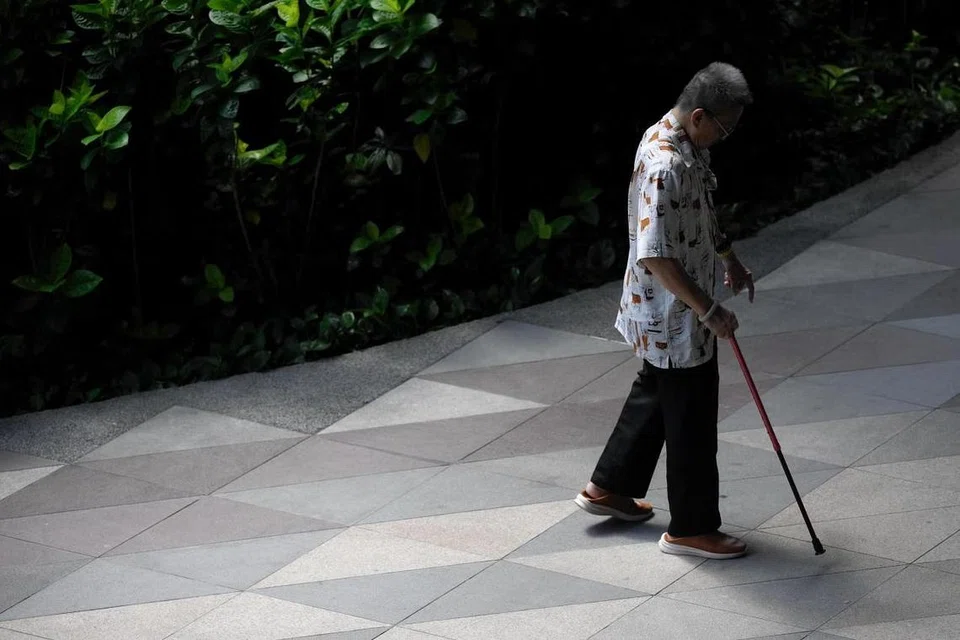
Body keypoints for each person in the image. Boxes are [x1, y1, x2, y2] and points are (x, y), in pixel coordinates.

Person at [574, 62, 756, 560]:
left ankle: (608, 487)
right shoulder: (664, 162)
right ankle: (692, 528)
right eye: (724, 128)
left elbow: (698, 208)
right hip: (672, 314)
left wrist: (727, 257)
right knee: (692, 414)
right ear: (699, 115)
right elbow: (655, 254)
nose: (725, 137)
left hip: (670, 312)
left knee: (657, 391)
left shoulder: (681, 143)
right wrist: (709, 309)